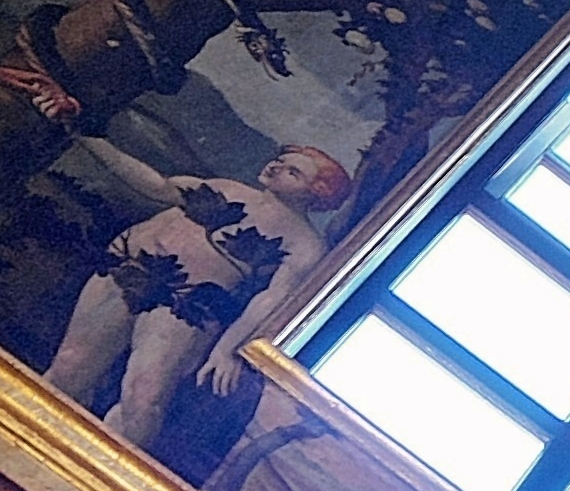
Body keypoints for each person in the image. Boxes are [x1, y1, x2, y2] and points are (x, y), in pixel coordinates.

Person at [45, 138, 353, 449]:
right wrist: (85, 136)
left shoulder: (304, 244)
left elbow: (270, 300)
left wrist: (228, 349)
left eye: (293, 172)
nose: (276, 167)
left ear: (316, 193)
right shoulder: (228, 189)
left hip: (185, 306)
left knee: (143, 399)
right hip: (128, 269)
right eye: (281, 160)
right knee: (71, 366)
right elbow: (157, 186)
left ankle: (102, 471)